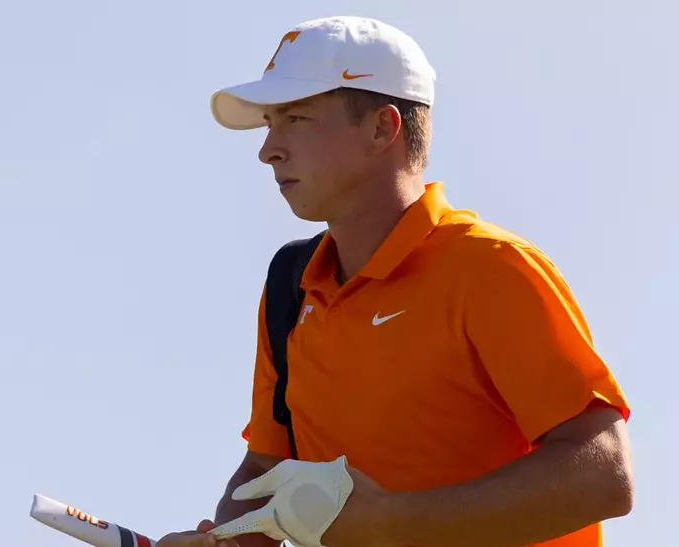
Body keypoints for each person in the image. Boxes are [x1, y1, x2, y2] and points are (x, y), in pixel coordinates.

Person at [157, 15, 634, 547]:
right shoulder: (291, 286)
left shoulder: (491, 267)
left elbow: (604, 475)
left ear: (382, 127)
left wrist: (392, 524)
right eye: (271, 123)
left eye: (294, 119)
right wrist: (224, 541)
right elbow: (264, 474)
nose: (268, 148)